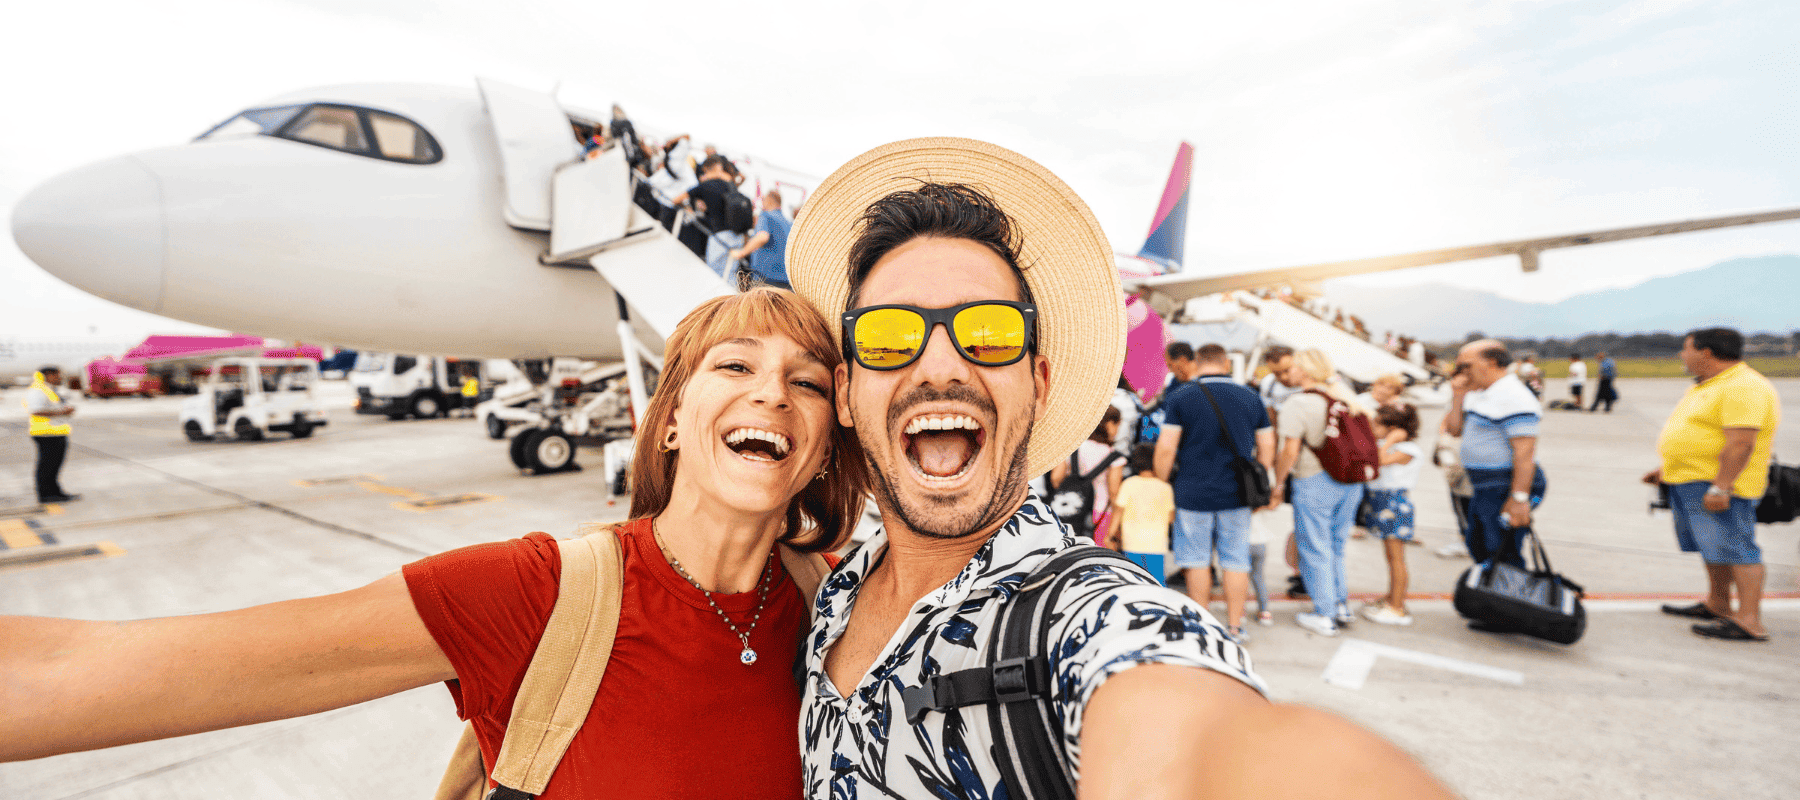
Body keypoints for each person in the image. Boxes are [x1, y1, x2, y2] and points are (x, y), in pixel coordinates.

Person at [0, 288, 870, 800]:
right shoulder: (533, 594)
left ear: (829, 439)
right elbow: (71, 672)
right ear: (669, 419)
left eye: (805, 380)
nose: (772, 395)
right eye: (735, 366)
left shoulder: (848, 605)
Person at [786, 138, 1451, 799]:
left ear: (1040, 383)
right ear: (843, 391)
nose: (940, 366)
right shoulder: (834, 593)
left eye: (988, 332)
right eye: (887, 336)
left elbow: (1199, 736)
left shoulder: (1095, 619)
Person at [1646, 328, 1778, 641]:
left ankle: (1749, 621)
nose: (1682, 355)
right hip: (1690, 479)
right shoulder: (1711, 385)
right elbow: (1701, 433)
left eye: (1686, 349)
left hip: (1719, 485)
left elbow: (1741, 442)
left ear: (1706, 353)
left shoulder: (1743, 386)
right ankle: (1718, 604)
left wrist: (1722, 486)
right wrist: (1669, 467)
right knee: (1713, 546)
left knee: (1738, 548)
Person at [1154, 342, 1273, 641]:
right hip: (1238, 493)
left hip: (1192, 492)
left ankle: (1202, 625)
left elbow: (1166, 447)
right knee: (1235, 559)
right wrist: (1260, 482)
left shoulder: (1181, 397)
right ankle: (1235, 626)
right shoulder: (1251, 396)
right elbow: (1268, 446)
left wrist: (1161, 482)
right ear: (1226, 364)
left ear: (1197, 362)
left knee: (1195, 559)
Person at [1269, 349, 1369, 636]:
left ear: (1305, 371)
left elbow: (1290, 450)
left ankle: (1324, 613)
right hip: (1350, 481)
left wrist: (1278, 484)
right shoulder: (1346, 398)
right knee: (1336, 545)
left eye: (1294, 368)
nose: (1290, 373)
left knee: (1314, 547)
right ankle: (1340, 605)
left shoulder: (1299, 403)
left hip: (1315, 479)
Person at [1446, 340, 1546, 588]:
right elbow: (1454, 429)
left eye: (1466, 366)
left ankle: (1511, 605)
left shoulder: (1513, 397)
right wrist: (1458, 396)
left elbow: (1525, 454)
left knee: (1502, 546)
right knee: (1477, 543)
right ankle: (1495, 598)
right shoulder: (1481, 394)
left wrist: (1520, 498)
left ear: (1491, 363)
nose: (1461, 372)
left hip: (1505, 482)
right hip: (1484, 485)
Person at [1361, 404, 1423, 626]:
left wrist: (1390, 440)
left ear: (1395, 428)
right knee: (1390, 556)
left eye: (1378, 424)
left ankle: (1397, 607)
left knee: (1396, 558)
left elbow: (1379, 462)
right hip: (1380, 502)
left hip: (1394, 504)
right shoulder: (1385, 445)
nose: (1373, 427)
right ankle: (1391, 598)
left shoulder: (1408, 449)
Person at [1049, 406, 1126, 545]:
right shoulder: (1114, 457)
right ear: (1109, 424)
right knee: (1097, 557)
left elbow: (1056, 478)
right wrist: (1117, 526)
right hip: (1100, 514)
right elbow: (1114, 493)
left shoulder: (1071, 447)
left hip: (1070, 510)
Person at [667, 155, 747, 277]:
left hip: (720, 235)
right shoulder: (730, 185)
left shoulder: (705, 186)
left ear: (707, 169)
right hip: (738, 236)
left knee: (714, 273)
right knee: (729, 274)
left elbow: (676, 200)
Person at [1107, 443, 1174, 583]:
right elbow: (1170, 518)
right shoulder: (1165, 487)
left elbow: (1118, 512)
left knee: (1133, 580)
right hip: (1156, 544)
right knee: (1156, 581)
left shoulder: (1129, 484)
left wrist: (1111, 534)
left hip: (1131, 543)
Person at [22, 366, 79, 504]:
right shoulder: (37, 390)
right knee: (47, 466)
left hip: (55, 432)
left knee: (54, 466)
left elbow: (52, 407)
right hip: (45, 433)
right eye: (57, 375)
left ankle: (55, 492)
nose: (60, 378)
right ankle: (46, 495)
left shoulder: (48, 389)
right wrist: (62, 412)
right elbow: (35, 411)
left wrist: (65, 409)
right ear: (48, 375)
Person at [729, 189, 792, 289]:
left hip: (766, 279)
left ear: (769, 201)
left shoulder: (766, 216)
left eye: (763, 200)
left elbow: (762, 237)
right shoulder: (788, 223)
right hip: (787, 281)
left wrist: (742, 252)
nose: (762, 204)